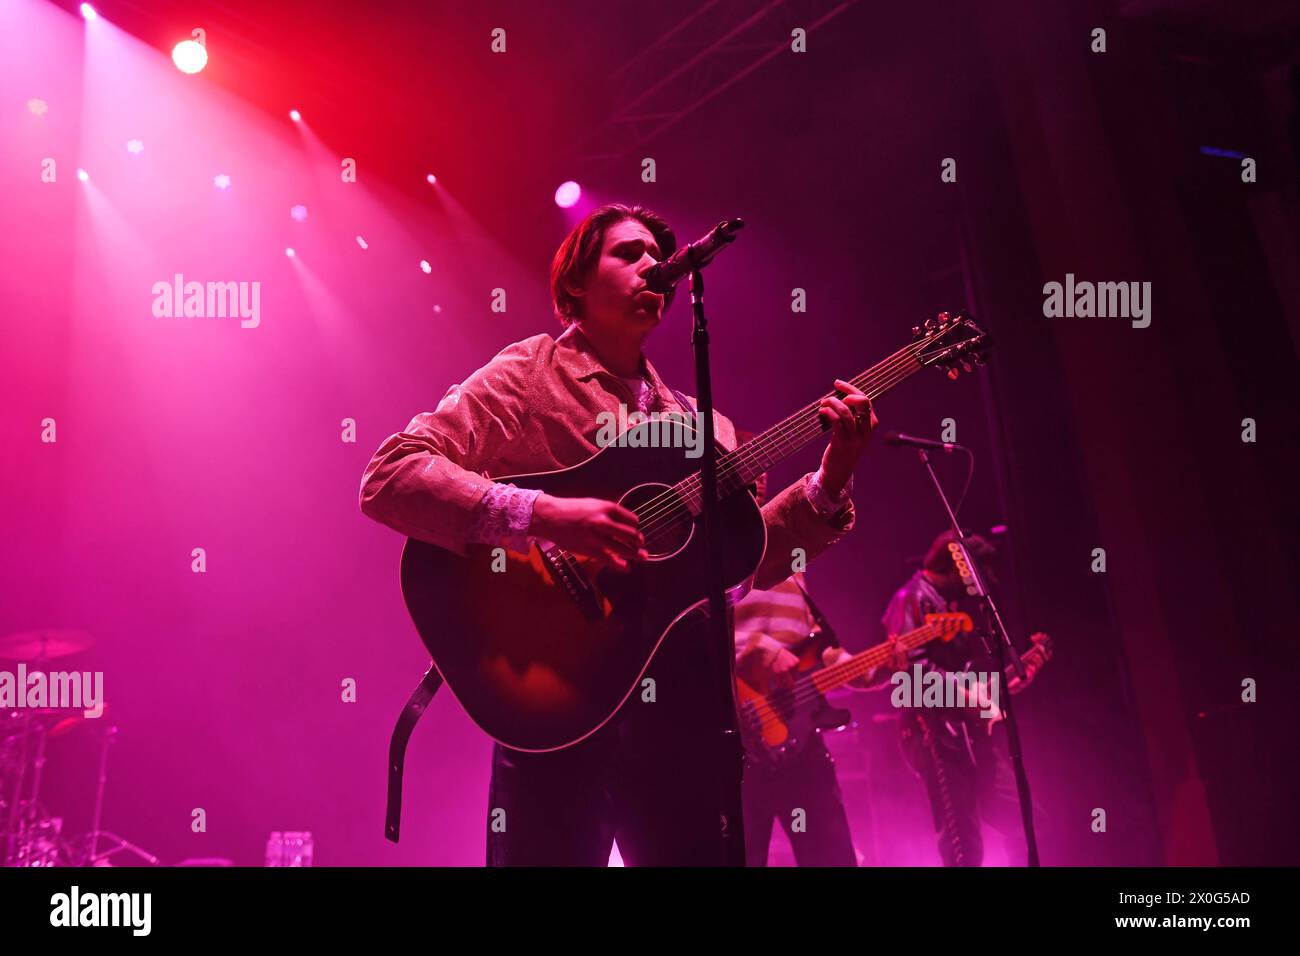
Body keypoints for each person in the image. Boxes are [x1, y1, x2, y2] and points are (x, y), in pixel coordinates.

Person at [359, 203, 877, 865]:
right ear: (575, 282)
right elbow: (391, 475)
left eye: (655, 257)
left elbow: (748, 559)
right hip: (556, 703)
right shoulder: (531, 374)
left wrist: (830, 482)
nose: (651, 269)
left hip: (680, 720)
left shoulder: (702, 423)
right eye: (627, 254)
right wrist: (541, 513)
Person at [880, 530, 1047, 866]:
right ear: (956, 567)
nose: (975, 587)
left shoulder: (950, 608)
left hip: (970, 736)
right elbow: (908, 678)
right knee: (963, 844)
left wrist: (1010, 679)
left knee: (1028, 821)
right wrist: (969, 695)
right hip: (936, 733)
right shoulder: (910, 598)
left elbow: (972, 682)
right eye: (973, 576)